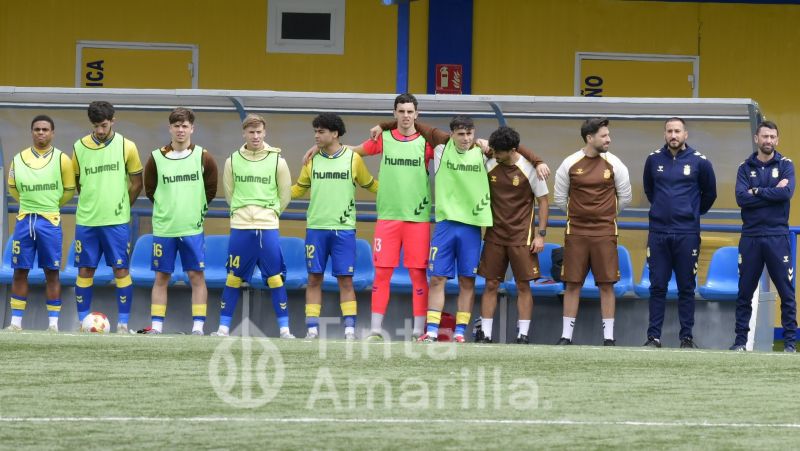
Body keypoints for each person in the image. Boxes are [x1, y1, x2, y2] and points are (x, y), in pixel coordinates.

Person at [381, 116, 547, 343]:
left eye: (470, 134)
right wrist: (382, 126)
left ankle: (460, 332)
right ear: (452, 134)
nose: (466, 138)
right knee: (437, 279)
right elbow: (410, 121)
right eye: (460, 134)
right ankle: (431, 331)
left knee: (467, 281)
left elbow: (513, 146)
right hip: (446, 224)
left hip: (471, 227)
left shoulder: (484, 152)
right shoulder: (442, 144)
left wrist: (537, 161)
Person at [291, 113, 378, 340]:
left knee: (345, 280)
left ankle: (349, 330)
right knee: (313, 278)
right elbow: (298, 189)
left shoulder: (353, 159)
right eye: (315, 131)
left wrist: (396, 193)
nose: (316, 136)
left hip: (344, 230)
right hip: (316, 228)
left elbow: (370, 184)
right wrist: (271, 196)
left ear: (335, 134)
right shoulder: (312, 160)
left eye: (321, 131)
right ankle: (312, 330)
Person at [212, 114, 294, 338]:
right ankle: (223, 328)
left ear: (265, 132)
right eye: (251, 132)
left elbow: (285, 194)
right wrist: (241, 212)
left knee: (275, 277)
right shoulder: (232, 160)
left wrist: (271, 212)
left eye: (259, 132)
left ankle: (285, 330)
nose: (255, 136)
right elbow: (230, 193)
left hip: (267, 225)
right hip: (241, 225)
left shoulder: (278, 160)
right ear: (244, 134)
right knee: (233, 277)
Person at [554, 118, 632, 346]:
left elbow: (624, 197)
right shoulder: (569, 163)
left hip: (605, 231)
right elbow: (560, 198)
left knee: (607, 284)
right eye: (604, 136)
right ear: (590, 138)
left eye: (608, 135)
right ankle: (566, 336)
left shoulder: (615, 163)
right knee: (572, 284)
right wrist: (581, 214)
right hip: (576, 231)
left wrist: (604, 214)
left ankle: (609, 338)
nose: (609, 139)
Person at [642, 117, 716, 349]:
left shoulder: (700, 162)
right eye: (669, 131)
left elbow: (709, 194)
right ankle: (654, 337)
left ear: (686, 135)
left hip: (687, 233)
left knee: (686, 286)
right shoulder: (653, 160)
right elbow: (649, 190)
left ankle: (686, 337)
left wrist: (692, 213)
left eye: (677, 131)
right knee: (657, 286)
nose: (673, 135)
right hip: (659, 233)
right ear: (664, 134)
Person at [143, 108, 217, 335]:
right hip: (165, 227)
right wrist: (167, 208)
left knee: (196, 275)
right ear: (170, 128)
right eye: (176, 126)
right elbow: (150, 189)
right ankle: (156, 326)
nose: (181, 130)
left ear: (192, 128)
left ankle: (198, 327)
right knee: (162, 276)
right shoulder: (156, 157)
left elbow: (211, 189)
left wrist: (195, 210)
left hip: (191, 227)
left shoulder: (203, 156)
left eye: (185, 126)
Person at [72, 101, 143, 333]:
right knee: (85, 270)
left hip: (117, 222)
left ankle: (123, 324)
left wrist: (122, 205)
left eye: (104, 125)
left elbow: (136, 183)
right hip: (87, 221)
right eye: (96, 126)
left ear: (113, 120)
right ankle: (84, 322)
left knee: (121, 270)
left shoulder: (127, 146)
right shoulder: (78, 147)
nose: (100, 131)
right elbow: (78, 183)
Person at [475, 126, 549, 344]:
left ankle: (523, 334)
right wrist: (480, 142)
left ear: (513, 150)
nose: (494, 154)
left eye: (499, 152)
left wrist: (541, 235)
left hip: (521, 237)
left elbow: (543, 201)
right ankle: (486, 334)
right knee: (490, 284)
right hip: (494, 235)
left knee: (523, 286)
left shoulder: (531, 169)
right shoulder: (490, 162)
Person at [5, 115, 75, 331]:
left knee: (51, 272)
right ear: (32, 132)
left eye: (45, 129)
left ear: (52, 133)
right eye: (37, 129)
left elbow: (69, 190)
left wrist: (51, 205)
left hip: (50, 222)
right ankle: (15, 323)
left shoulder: (62, 159)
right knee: (20, 271)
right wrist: (30, 204)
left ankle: (53, 324)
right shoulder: (18, 158)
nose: (41, 133)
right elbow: (13, 188)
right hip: (25, 221)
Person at [731, 121, 796, 352]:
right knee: (744, 293)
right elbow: (741, 198)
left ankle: (789, 344)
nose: (768, 140)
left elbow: (786, 193)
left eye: (772, 137)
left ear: (777, 140)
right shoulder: (744, 167)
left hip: (777, 236)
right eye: (764, 136)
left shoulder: (787, 165)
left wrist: (756, 191)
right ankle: (740, 342)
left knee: (787, 293)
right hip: (750, 237)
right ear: (757, 139)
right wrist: (772, 191)